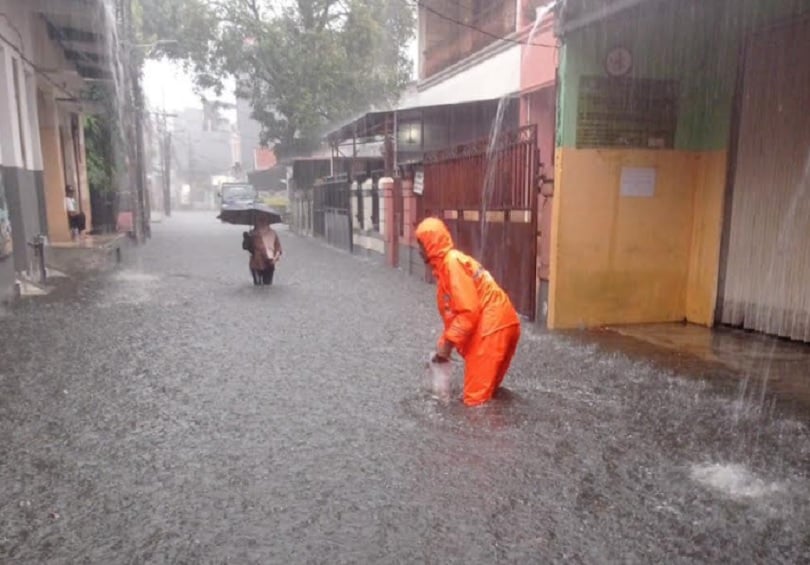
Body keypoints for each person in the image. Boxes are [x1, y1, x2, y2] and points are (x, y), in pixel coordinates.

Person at [415, 217, 521, 406]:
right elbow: (455, 315)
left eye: (421, 244)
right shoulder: (450, 265)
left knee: (475, 403)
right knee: (488, 395)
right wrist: (442, 348)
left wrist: (447, 344)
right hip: (503, 324)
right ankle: (500, 431)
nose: (418, 250)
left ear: (430, 245)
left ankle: (482, 435)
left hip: (490, 330)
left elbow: (468, 312)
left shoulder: (451, 265)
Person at [248, 215, 282, 286]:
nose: (262, 223)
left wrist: (275, 258)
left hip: (269, 263)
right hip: (256, 264)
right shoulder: (253, 234)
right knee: (257, 286)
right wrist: (247, 239)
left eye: (264, 221)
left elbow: (278, 248)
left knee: (267, 285)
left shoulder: (273, 233)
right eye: (260, 221)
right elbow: (248, 248)